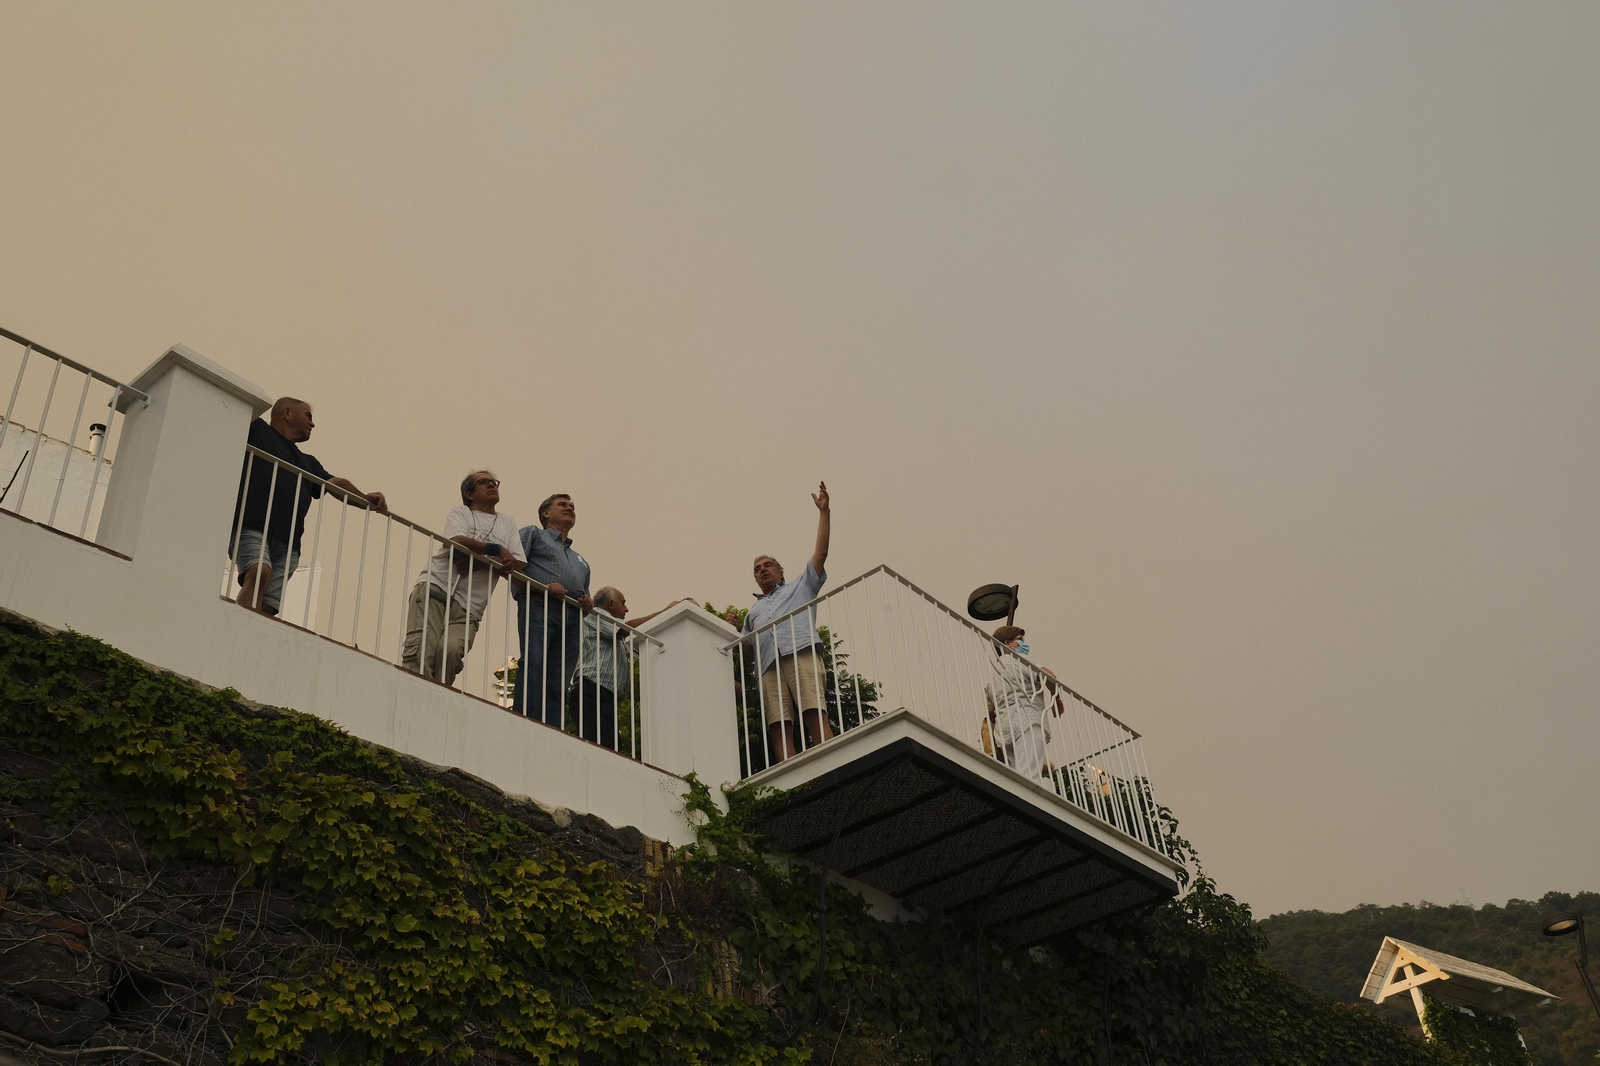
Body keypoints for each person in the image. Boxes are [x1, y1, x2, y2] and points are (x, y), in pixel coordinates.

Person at [230, 396, 387, 616]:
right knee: (258, 572)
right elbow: (229, 410)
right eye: (308, 416)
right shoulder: (257, 430)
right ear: (287, 413)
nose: (312, 424)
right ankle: (234, 624)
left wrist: (365, 499)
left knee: (269, 604)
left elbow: (335, 484)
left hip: (289, 544)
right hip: (251, 526)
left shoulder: (308, 462)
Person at [736, 481, 833, 764]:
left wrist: (824, 513)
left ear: (780, 572)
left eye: (768, 565)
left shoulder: (801, 586)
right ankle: (791, 772)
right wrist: (732, 631)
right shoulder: (752, 613)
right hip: (767, 667)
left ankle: (830, 759)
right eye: (757, 569)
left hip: (799, 650)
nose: (762, 570)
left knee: (813, 710)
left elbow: (821, 554)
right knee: (778, 724)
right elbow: (748, 653)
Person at [400, 471, 526, 685]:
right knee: (422, 650)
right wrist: (496, 550)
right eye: (484, 482)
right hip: (437, 585)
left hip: (471, 605)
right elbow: (456, 540)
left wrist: (480, 561)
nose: (492, 485)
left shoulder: (507, 522)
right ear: (469, 494)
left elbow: (517, 562)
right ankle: (413, 693)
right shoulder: (460, 512)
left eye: (494, 482)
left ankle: (436, 697)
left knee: (451, 653)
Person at [571, 588, 693, 749]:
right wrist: (666, 612)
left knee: (609, 746)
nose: (626, 609)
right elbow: (624, 629)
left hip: (600, 694)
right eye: (623, 603)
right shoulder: (596, 614)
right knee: (605, 747)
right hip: (591, 691)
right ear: (611, 604)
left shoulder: (608, 630)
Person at [512, 493, 592, 724]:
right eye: (562, 504)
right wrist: (544, 586)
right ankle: (525, 719)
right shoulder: (533, 533)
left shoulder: (581, 560)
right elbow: (511, 567)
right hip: (540, 604)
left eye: (572, 506)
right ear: (546, 512)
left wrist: (588, 602)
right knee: (535, 661)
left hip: (573, 616)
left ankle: (552, 726)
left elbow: (584, 591)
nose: (570, 508)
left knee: (561, 675)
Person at [983, 625, 1064, 783]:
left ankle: (1040, 767)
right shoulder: (1019, 660)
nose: (1024, 643)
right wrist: (1056, 697)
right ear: (1008, 643)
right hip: (1027, 720)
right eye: (1020, 640)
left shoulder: (992, 677)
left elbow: (990, 710)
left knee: (1018, 772)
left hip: (1004, 731)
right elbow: (1049, 676)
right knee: (1029, 774)